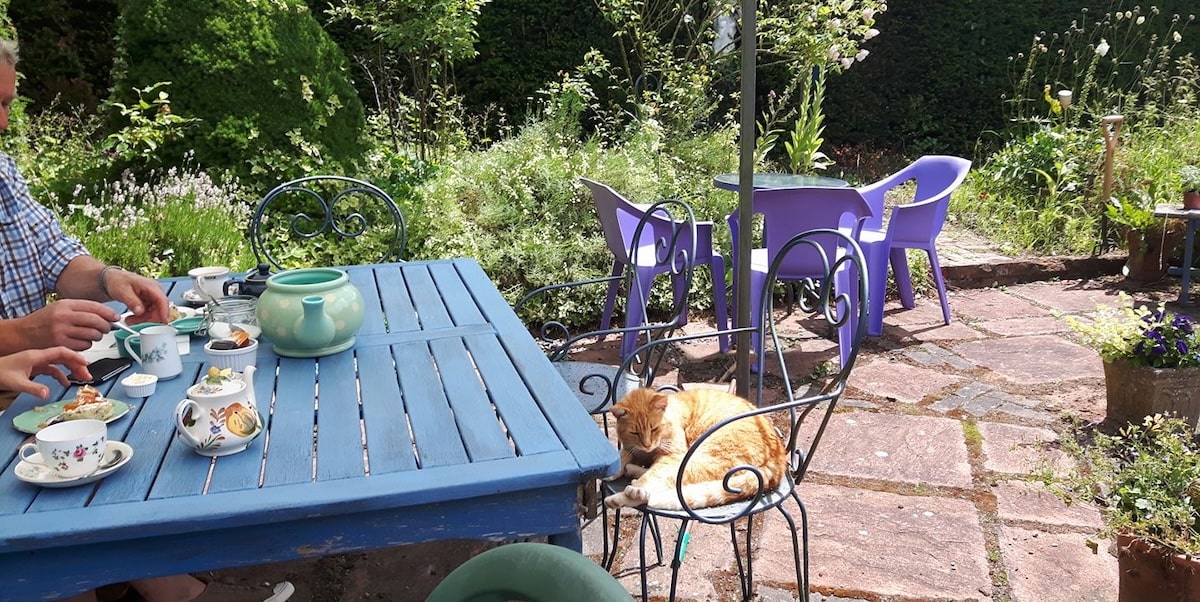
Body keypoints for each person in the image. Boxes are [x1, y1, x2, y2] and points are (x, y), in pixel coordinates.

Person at [0, 39, 294, 602]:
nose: (3, 121)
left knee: (139, 443)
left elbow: (57, 256)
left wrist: (111, 279)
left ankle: (173, 590)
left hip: (34, 394)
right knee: (54, 527)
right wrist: (22, 333)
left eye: (8, 103)